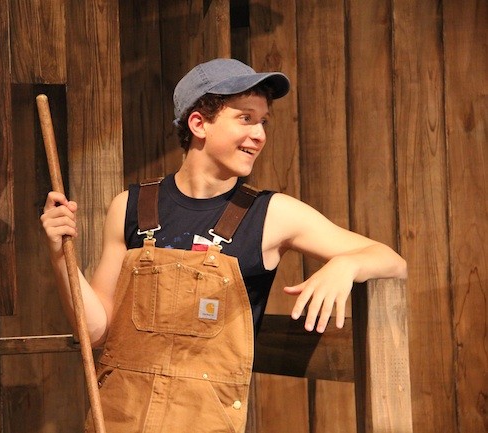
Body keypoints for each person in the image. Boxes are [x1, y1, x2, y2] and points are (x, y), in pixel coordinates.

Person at [40, 58, 407, 433]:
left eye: (263, 122)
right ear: (199, 124)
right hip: (120, 420)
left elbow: (391, 260)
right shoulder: (131, 206)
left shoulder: (272, 214)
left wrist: (345, 265)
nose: (259, 135)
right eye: (246, 118)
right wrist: (58, 254)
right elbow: (97, 331)